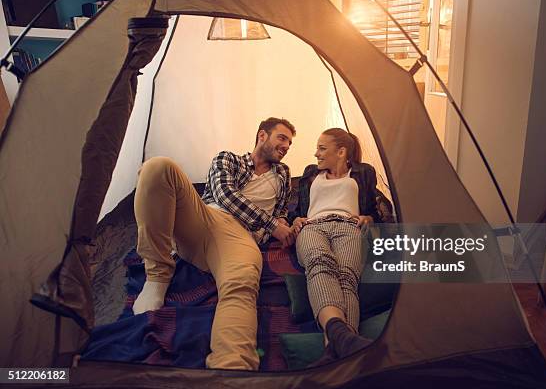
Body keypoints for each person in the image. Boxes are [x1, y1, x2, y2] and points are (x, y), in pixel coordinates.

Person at [132, 117, 296, 370]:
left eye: (290, 143)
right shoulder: (228, 159)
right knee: (157, 167)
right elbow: (224, 194)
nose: (286, 146)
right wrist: (273, 226)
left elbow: (281, 210)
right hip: (206, 217)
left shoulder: (283, 174)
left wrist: (284, 225)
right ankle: (157, 275)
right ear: (262, 136)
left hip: (241, 237)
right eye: (282, 138)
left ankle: (231, 370)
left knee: (241, 285)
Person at [291, 128, 380, 365]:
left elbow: (374, 211)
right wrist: (295, 220)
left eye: (322, 148)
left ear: (341, 152)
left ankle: (333, 351)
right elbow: (297, 211)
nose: (315, 154)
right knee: (319, 263)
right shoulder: (311, 174)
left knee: (346, 276)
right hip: (313, 227)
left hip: (348, 227)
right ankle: (344, 341)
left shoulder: (363, 173)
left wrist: (368, 219)